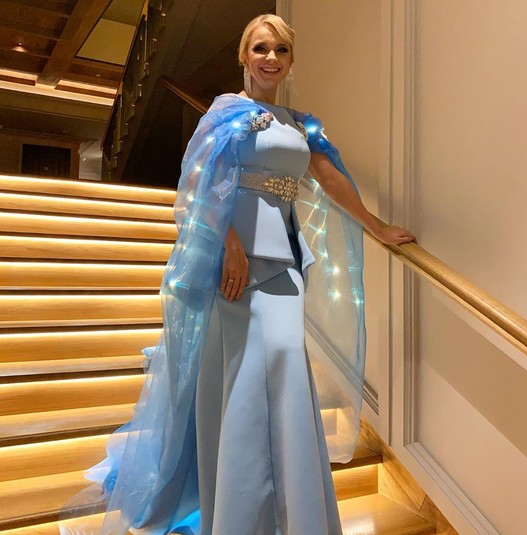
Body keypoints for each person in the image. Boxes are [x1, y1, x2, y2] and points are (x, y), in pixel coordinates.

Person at [60, 13, 415, 535]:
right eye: (262, 48)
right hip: (237, 263)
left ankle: (293, 512)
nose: (271, 58)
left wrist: (377, 225)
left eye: (281, 50)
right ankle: (243, 514)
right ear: (244, 56)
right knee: (245, 376)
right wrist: (229, 245)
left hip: (285, 262)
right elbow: (200, 182)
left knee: (286, 365)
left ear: (291, 61)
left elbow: (329, 176)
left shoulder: (300, 124)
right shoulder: (226, 112)